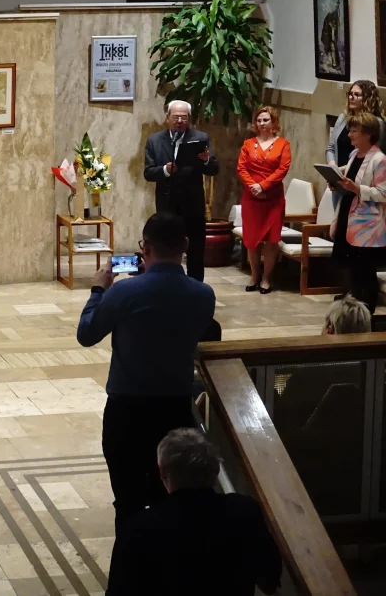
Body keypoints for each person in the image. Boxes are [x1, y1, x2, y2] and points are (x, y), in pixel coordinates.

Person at [77, 212, 216, 536]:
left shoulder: (124, 293)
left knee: (128, 503)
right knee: (175, 501)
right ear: (185, 245)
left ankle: (130, 562)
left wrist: (98, 291)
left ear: (146, 248)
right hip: (175, 411)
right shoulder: (203, 294)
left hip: (127, 415)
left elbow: (87, 334)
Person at [106, 428, 282, 596]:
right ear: (215, 471)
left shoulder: (139, 528)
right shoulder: (244, 512)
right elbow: (269, 580)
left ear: (163, 474)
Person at [144, 101, 219, 281]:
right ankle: (166, 284)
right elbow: (148, 172)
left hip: (193, 205)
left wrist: (206, 160)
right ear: (167, 118)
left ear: (189, 119)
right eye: (175, 117)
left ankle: (195, 287)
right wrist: (165, 170)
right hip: (167, 205)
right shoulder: (154, 140)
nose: (179, 121)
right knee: (165, 251)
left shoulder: (200, 138)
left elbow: (213, 169)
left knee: (195, 252)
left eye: (183, 118)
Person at [330, 112, 386, 312]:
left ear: (368, 134)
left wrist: (356, 188)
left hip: (368, 224)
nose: (349, 135)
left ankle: (366, 315)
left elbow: (383, 193)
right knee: (353, 269)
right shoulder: (354, 155)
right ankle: (354, 314)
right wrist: (336, 182)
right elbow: (349, 180)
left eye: (354, 131)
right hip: (349, 216)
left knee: (365, 272)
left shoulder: (379, 159)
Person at [236, 106, 292, 293]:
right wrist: (254, 186)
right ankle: (254, 276)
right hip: (251, 198)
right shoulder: (248, 143)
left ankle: (266, 278)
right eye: (259, 120)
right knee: (251, 240)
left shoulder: (283, 144)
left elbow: (282, 169)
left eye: (266, 120)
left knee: (271, 240)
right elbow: (241, 168)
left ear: (274, 122)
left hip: (273, 199)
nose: (262, 123)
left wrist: (263, 186)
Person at [326, 80, 384, 208]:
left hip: (361, 186)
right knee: (340, 218)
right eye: (350, 94)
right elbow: (331, 148)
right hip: (341, 181)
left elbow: (371, 156)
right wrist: (334, 170)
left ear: (368, 98)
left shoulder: (376, 123)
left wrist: (344, 171)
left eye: (356, 95)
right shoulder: (343, 117)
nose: (351, 97)